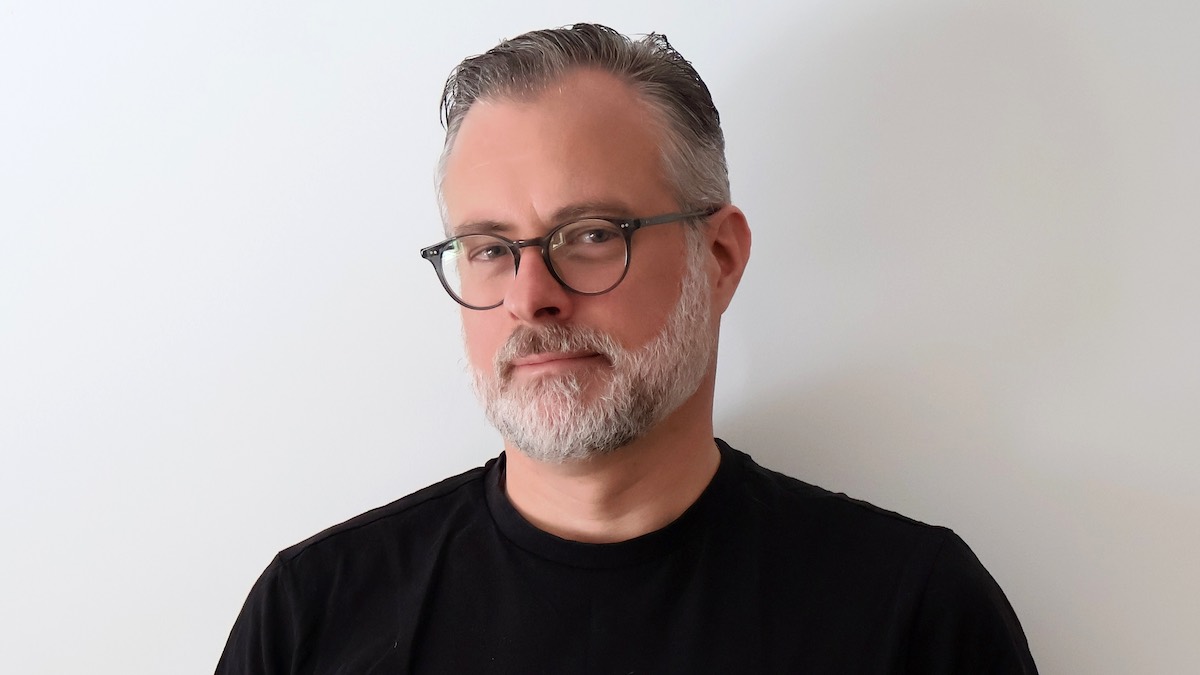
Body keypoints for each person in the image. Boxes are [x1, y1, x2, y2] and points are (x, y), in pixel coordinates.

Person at [216, 23, 1038, 674]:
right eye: (489, 247)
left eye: (589, 235)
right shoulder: (313, 615)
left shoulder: (912, 613)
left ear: (717, 259)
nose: (529, 295)